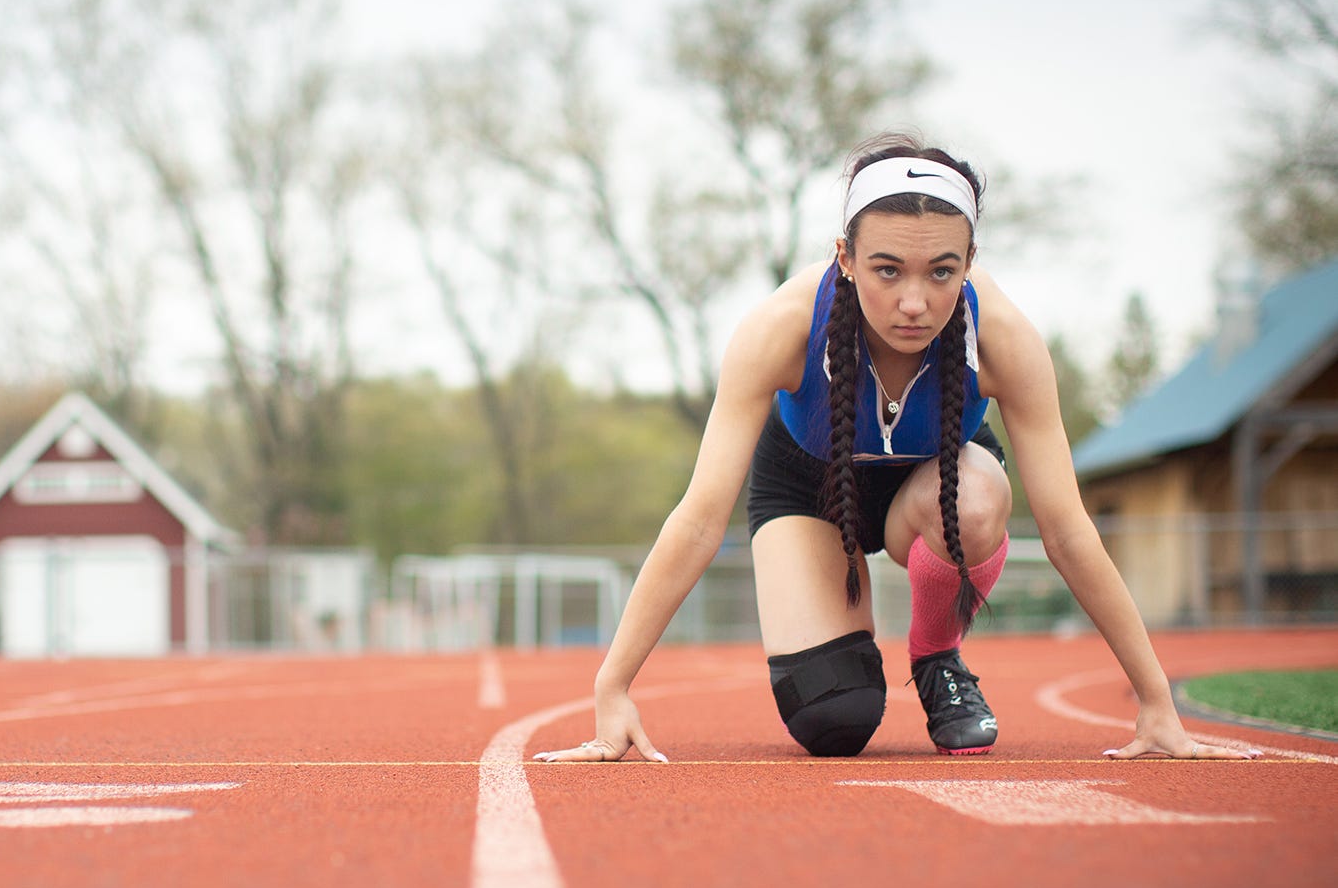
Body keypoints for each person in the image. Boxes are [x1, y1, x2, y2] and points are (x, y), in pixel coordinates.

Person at [537, 132, 1254, 764]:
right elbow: (698, 519)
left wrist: (1157, 698)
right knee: (834, 718)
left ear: (970, 260)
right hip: (810, 488)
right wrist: (614, 683)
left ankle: (936, 653)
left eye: (942, 272)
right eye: (888, 271)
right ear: (844, 257)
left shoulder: (1001, 338)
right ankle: (851, 673)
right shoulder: (782, 329)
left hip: (935, 484)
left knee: (975, 500)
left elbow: (1066, 528)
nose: (915, 302)